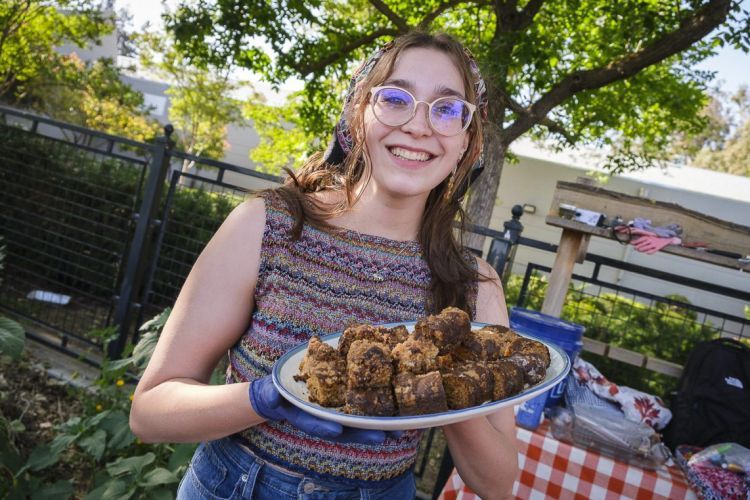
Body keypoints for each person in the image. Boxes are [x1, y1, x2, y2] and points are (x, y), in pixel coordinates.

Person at [130, 31, 519, 499]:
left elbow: (496, 483)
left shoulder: (474, 288)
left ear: (466, 142)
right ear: (358, 115)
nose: (419, 125)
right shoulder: (269, 227)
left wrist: (451, 378)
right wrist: (266, 398)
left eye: (447, 108)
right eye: (396, 99)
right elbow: (150, 411)